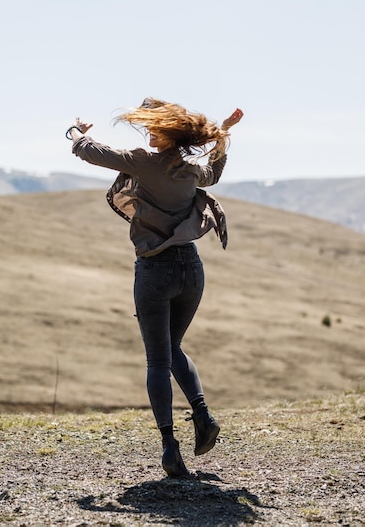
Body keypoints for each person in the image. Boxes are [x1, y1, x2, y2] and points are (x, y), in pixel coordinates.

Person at [66, 98, 244, 478]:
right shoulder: (191, 169)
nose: (148, 132)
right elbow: (214, 172)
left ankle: (170, 448)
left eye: (154, 128)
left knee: (158, 360)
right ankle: (203, 416)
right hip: (191, 270)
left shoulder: (142, 161)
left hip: (154, 271)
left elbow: (89, 152)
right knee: (173, 347)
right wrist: (224, 135)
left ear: (166, 134)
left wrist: (78, 132)